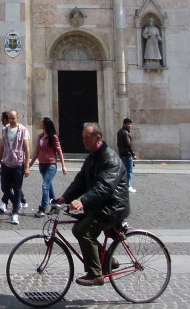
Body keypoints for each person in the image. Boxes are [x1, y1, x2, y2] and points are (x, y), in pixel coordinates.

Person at [54, 122, 130, 286]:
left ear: (98, 138)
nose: (84, 141)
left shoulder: (110, 158)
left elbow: (104, 187)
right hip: (101, 205)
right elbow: (81, 181)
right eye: (83, 138)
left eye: (87, 138)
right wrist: (65, 197)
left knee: (83, 231)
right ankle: (109, 260)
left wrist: (82, 201)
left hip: (113, 207)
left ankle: (96, 274)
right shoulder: (92, 157)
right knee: (78, 228)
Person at [0, 109, 30, 225]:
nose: (11, 120)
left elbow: (26, 149)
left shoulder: (23, 130)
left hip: (18, 164)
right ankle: (17, 203)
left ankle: (15, 213)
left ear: (17, 117)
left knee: (17, 189)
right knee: (4, 188)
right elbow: (1, 147)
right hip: (6, 163)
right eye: (10, 118)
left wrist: (27, 166)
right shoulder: (4, 129)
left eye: (13, 118)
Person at [27, 116, 67, 216]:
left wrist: (63, 165)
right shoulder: (40, 136)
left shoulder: (53, 137)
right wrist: (29, 165)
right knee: (49, 186)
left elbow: (59, 152)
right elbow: (37, 152)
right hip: (42, 165)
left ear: (45, 124)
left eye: (41, 122)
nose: (39, 123)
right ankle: (55, 206)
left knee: (45, 186)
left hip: (51, 165)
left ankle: (43, 208)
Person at [116, 117, 137, 193]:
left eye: (130, 124)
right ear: (124, 124)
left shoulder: (119, 131)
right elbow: (128, 145)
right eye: (128, 124)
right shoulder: (125, 133)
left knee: (123, 171)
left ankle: (122, 186)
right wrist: (133, 154)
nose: (129, 125)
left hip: (122, 154)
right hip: (127, 155)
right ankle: (128, 186)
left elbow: (118, 144)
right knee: (129, 171)